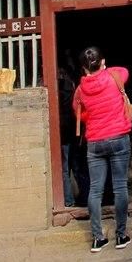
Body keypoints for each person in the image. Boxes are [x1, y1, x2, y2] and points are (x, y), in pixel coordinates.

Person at [73, 47, 132, 252]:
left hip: (95, 142)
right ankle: (121, 235)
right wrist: (104, 68)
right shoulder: (115, 76)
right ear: (103, 62)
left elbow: (80, 114)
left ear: (83, 68)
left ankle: (98, 238)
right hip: (119, 138)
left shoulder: (80, 90)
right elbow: (124, 71)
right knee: (120, 187)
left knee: (95, 190)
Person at [58, 65, 77, 207]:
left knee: (64, 169)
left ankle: (69, 200)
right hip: (73, 130)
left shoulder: (57, 90)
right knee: (77, 166)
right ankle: (84, 196)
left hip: (63, 132)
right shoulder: (72, 87)